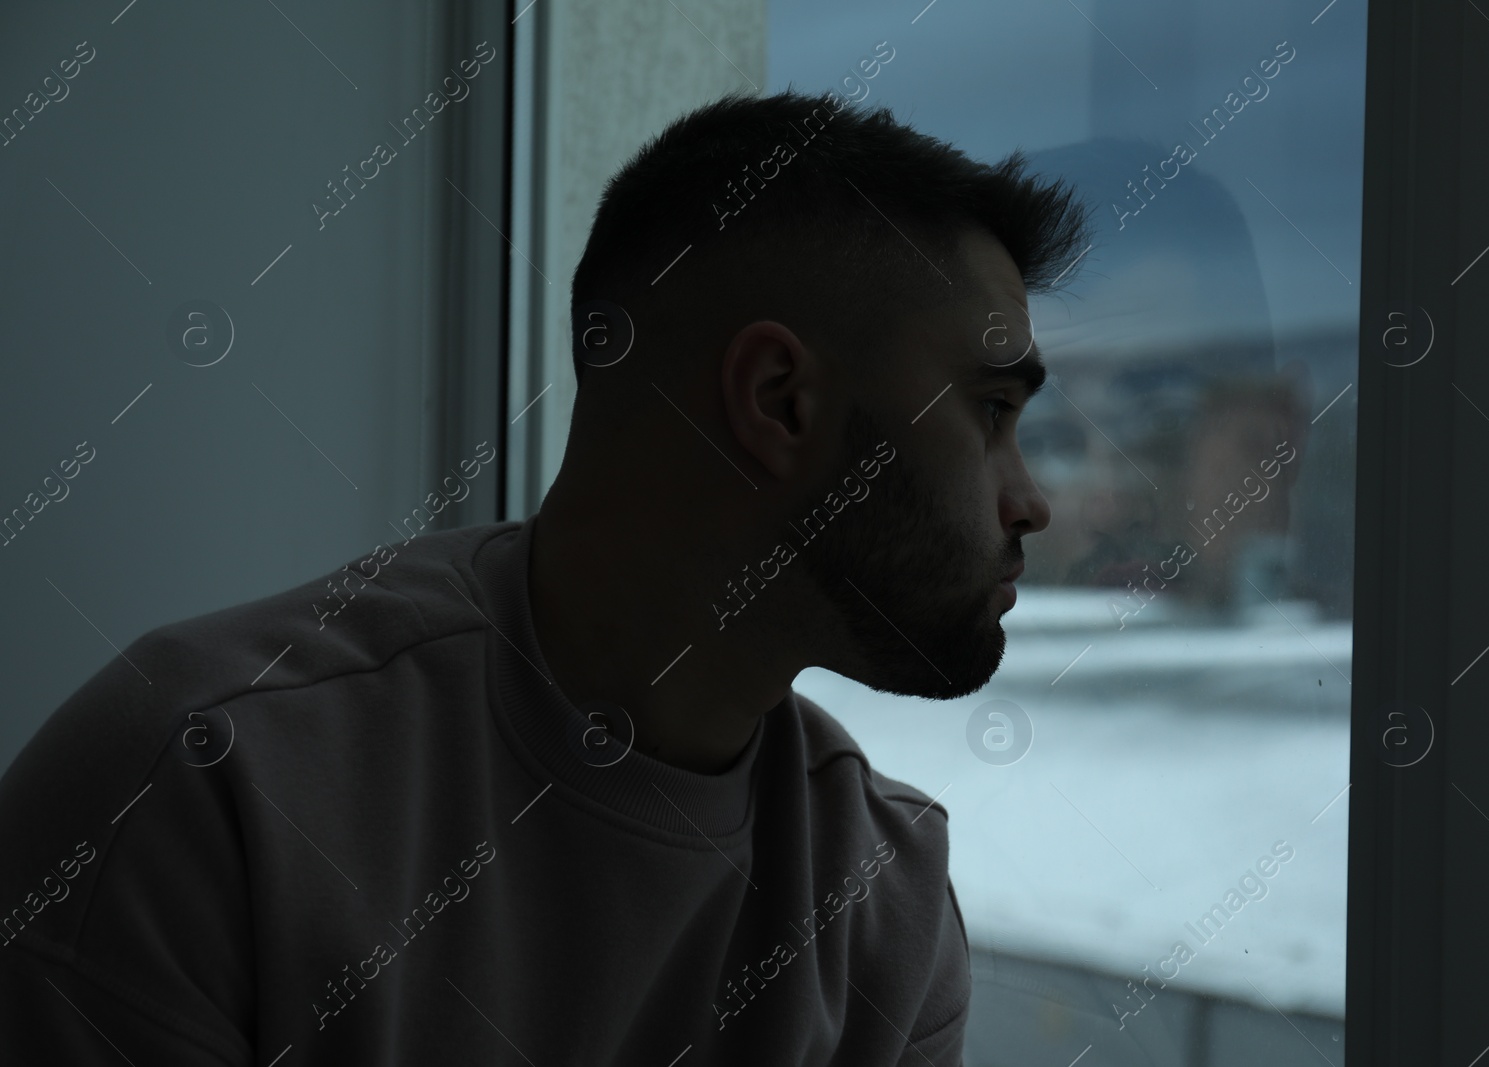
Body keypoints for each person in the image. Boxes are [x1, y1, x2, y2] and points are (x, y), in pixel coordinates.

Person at [0, 87, 1088, 1065]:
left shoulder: (880, 903)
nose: (1030, 500)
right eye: (990, 412)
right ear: (780, 401)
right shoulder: (199, 788)